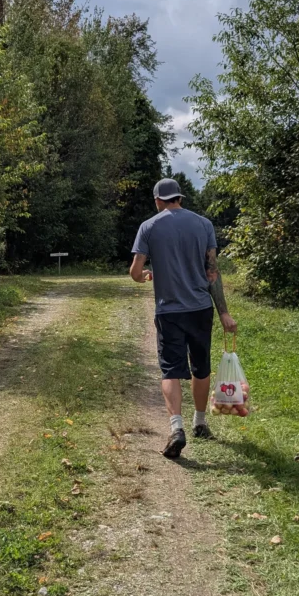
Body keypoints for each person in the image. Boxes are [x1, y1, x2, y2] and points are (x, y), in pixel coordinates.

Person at [130, 177, 237, 459]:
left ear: (157, 200)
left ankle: (176, 427)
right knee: (200, 367)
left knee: (170, 370)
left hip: (169, 311)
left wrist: (144, 276)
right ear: (179, 198)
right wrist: (223, 312)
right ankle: (200, 421)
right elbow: (212, 273)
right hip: (201, 309)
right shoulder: (204, 225)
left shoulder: (149, 227)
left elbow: (135, 270)